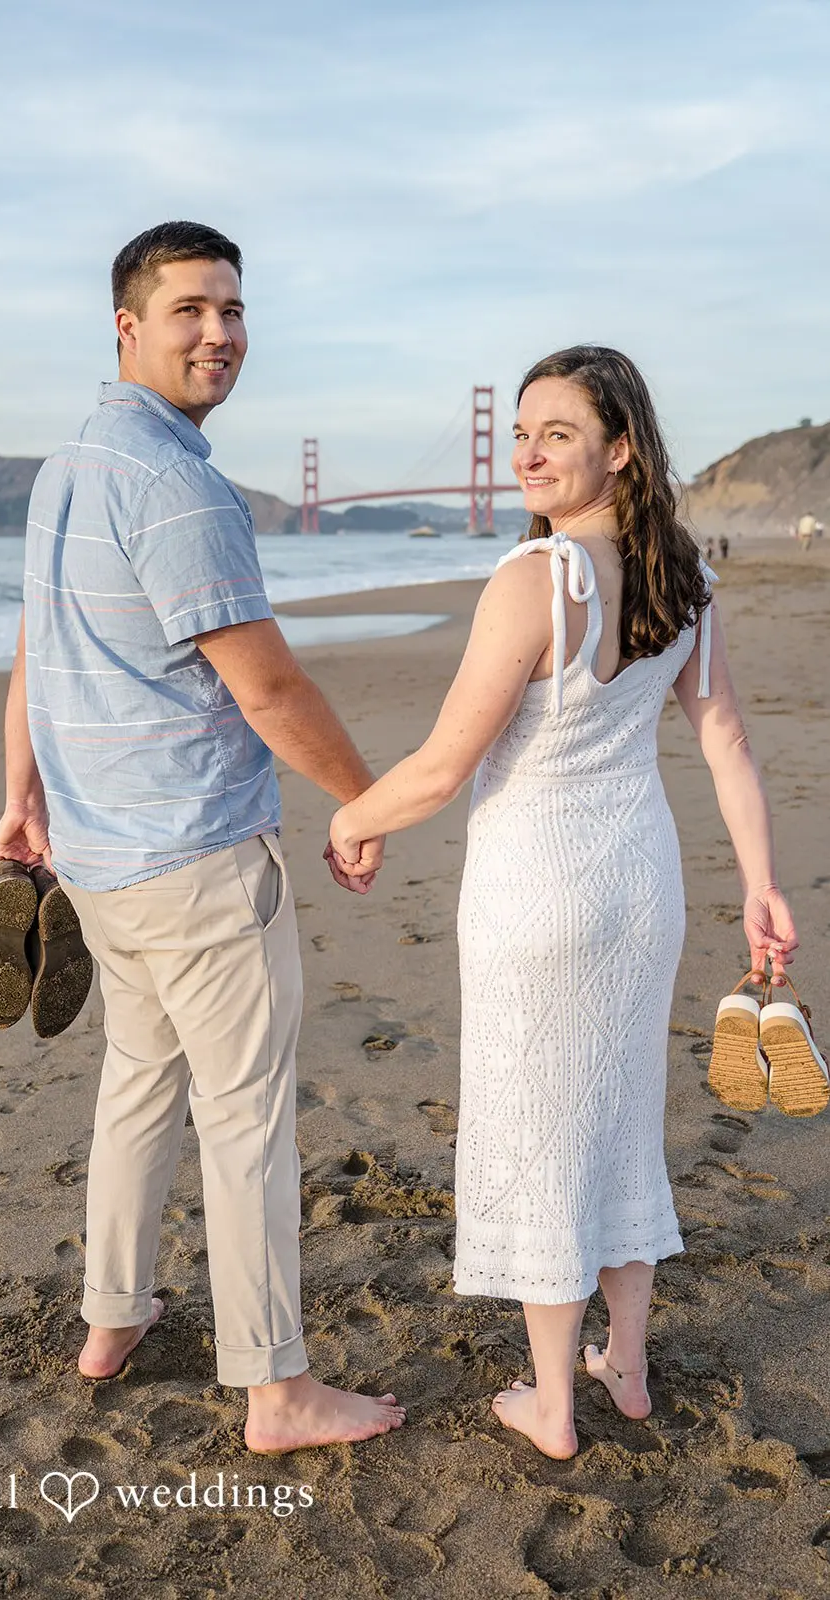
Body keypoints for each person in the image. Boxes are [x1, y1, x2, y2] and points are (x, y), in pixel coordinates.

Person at [326, 345, 797, 1459]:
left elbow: (444, 764)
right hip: (638, 882)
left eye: (557, 434)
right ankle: (622, 1367)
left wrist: (354, 818)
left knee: (541, 1132)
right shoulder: (683, 576)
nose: (526, 452)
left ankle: (551, 1401)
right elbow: (721, 737)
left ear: (618, 448)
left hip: (534, 889)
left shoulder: (532, 580)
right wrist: (760, 881)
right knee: (622, 1115)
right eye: (520, 431)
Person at [0, 220, 404, 1452]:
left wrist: (21, 792)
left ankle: (110, 1317)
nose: (217, 332)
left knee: (137, 1085)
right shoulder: (178, 481)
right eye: (188, 310)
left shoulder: (67, 462)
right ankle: (275, 1390)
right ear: (127, 326)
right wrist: (362, 798)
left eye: (231, 308)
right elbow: (267, 687)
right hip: (201, 859)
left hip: (105, 862)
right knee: (244, 1120)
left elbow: (36, 643)